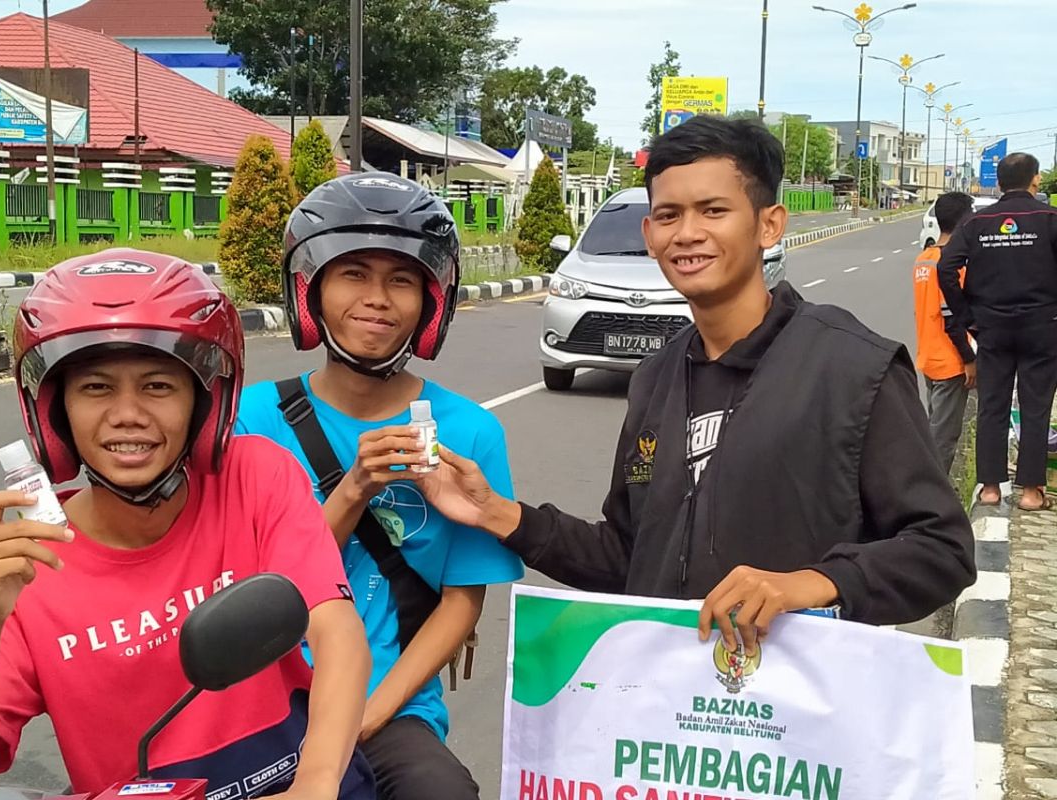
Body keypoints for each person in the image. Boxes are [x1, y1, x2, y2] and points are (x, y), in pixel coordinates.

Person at [417, 116, 976, 656]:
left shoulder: (856, 367)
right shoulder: (657, 377)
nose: (688, 234)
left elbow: (941, 552)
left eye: (713, 211)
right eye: (669, 215)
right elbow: (629, 557)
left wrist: (812, 584)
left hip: (801, 728)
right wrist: (499, 514)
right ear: (649, 233)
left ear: (769, 224)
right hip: (674, 721)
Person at [0, 250, 375, 800]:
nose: (128, 413)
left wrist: (316, 785)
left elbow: (335, 628)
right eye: (96, 388)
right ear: (56, 411)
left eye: (158, 386)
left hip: (293, 776)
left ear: (203, 404)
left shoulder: (254, 477)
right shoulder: (21, 566)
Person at [234, 173, 523, 800]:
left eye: (401, 280)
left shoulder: (470, 432)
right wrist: (353, 490)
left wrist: (367, 715)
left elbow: (461, 601)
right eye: (353, 274)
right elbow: (253, 588)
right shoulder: (250, 421)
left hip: (390, 705)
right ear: (312, 292)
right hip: (261, 702)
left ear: (430, 302)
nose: (377, 299)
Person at [939, 153, 1057, 511]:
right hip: (1042, 327)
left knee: (993, 405)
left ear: (1000, 183)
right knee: (1036, 406)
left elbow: (946, 266)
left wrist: (967, 317)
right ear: (1035, 180)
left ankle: (990, 488)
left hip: (991, 327)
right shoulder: (1050, 219)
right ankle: (1031, 492)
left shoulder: (977, 222)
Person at [913, 191, 977, 472]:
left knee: (932, 435)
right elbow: (951, 318)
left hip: (928, 359)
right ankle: (932, 505)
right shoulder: (952, 266)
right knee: (943, 442)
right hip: (951, 363)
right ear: (964, 222)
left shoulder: (923, 260)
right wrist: (969, 359)